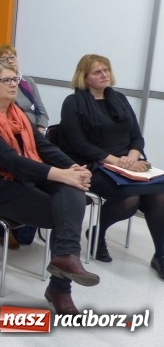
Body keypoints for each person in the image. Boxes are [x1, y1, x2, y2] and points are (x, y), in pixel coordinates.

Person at [0, 61, 99, 315]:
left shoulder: (18, 115)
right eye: (7, 80)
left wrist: (74, 169)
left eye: (15, 79)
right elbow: (10, 161)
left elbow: (45, 148)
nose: (14, 84)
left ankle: (66, 260)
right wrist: (61, 174)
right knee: (64, 212)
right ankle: (61, 286)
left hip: (23, 178)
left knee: (72, 192)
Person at [60, 54, 164, 277]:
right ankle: (98, 233)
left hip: (128, 162)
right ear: (85, 77)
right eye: (98, 72)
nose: (105, 75)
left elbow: (136, 136)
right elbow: (78, 144)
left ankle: (161, 255)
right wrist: (118, 161)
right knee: (130, 197)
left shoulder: (119, 98)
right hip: (94, 165)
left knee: (159, 194)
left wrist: (133, 157)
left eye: (106, 70)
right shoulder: (73, 103)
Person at [0, 44, 49, 132]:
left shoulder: (28, 81)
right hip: (15, 131)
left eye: (12, 57)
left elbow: (42, 112)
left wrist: (40, 131)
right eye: (4, 59)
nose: (10, 61)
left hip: (36, 131)